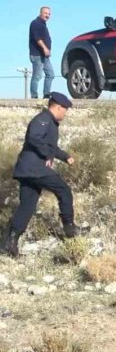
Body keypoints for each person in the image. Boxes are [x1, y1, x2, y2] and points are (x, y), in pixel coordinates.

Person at [2, 93, 78, 257]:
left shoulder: (49, 121)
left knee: (27, 206)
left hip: (27, 170)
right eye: (65, 110)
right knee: (64, 190)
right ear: (58, 107)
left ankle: (9, 244)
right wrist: (46, 156)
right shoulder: (43, 119)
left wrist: (65, 157)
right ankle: (70, 228)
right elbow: (33, 138)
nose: (65, 113)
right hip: (34, 169)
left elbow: (51, 147)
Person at [29, 7, 54, 100]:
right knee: (37, 76)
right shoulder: (36, 23)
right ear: (40, 13)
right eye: (45, 13)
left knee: (50, 74)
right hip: (37, 54)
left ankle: (46, 94)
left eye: (49, 14)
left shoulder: (43, 24)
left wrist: (47, 50)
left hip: (44, 55)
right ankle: (34, 96)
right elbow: (37, 38)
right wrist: (45, 48)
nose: (47, 15)